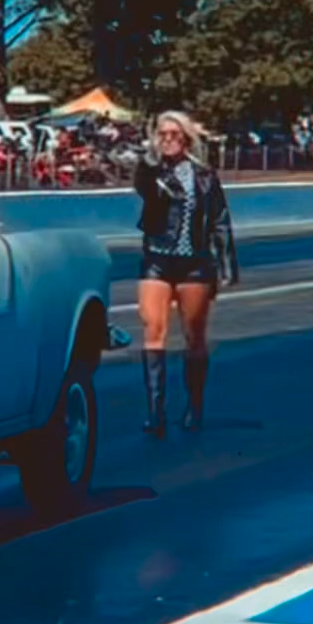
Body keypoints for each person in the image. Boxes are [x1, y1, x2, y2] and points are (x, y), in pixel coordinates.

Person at [134, 111, 239, 438]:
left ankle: (194, 406)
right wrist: (151, 162)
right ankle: (155, 412)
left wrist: (226, 265)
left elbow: (220, 220)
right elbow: (144, 188)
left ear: (187, 139)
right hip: (157, 259)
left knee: (194, 336)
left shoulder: (205, 176)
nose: (167, 140)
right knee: (153, 328)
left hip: (195, 263)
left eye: (174, 135)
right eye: (162, 134)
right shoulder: (150, 171)